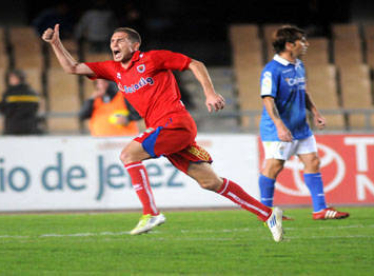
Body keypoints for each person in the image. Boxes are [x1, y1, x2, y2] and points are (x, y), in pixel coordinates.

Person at [42, 24, 284, 242]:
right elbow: (72, 67)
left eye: (120, 40)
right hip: (162, 129)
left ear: (135, 45)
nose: (113, 44)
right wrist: (56, 43)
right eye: (112, 41)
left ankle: (150, 213)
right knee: (210, 181)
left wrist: (210, 93)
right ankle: (267, 214)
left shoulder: (154, 58)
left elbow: (194, 64)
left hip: (175, 122)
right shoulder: (113, 69)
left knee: (128, 155)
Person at [258, 25, 349, 220]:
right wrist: (280, 126)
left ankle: (320, 209)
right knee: (274, 167)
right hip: (278, 129)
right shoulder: (271, 70)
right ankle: (264, 212)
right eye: (303, 41)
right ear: (290, 45)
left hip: (301, 127)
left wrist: (315, 112)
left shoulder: (298, 65)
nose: (306, 45)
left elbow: (303, 91)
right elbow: (268, 99)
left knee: (313, 161)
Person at [0, 70, 41, 135]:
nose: (10, 80)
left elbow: (3, 108)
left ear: (18, 79)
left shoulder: (9, 93)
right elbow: (36, 108)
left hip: (14, 127)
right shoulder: (33, 92)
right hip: (29, 127)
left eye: (12, 78)